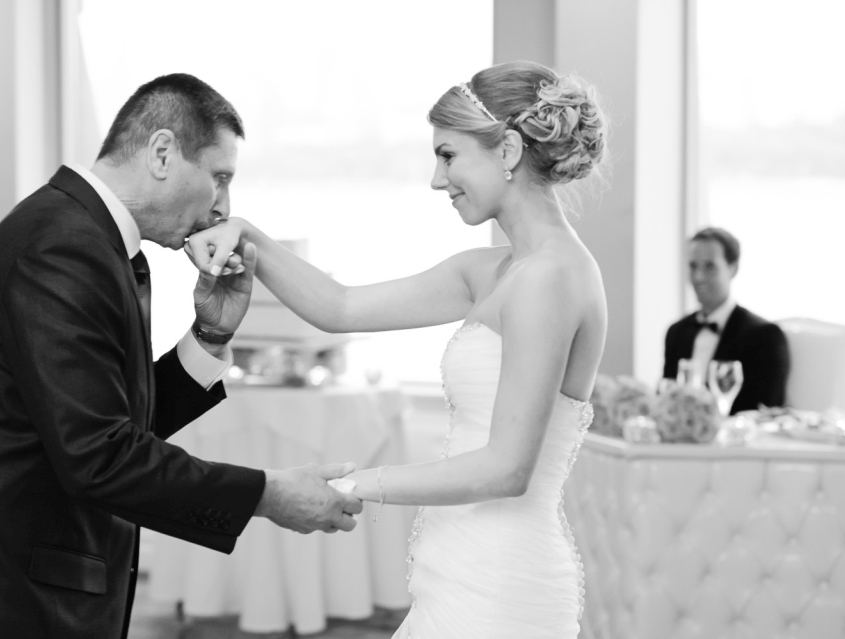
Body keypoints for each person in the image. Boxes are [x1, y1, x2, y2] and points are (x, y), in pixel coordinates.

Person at [187, 61, 608, 639]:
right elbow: (340, 308)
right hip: (460, 564)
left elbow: (507, 469)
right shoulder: (494, 272)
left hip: (501, 582)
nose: (438, 180)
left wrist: (351, 485)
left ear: (508, 150)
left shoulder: (550, 278)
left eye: (448, 155)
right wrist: (249, 236)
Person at [0, 73, 361, 639]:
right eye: (219, 178)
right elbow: (100, 457)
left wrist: (208, 338)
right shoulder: (63, 248)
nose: (224, 208)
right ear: (162, 152)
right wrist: (267, 494)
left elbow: (109, 423)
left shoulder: (86, 238)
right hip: (13, 593)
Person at [663, 227, 790, 413]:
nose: (698, 276)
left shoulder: (764, 336)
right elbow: (667, 397)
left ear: (733, 268)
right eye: (693, 266)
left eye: (709, 266)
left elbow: (766, 409)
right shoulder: (676, 332)